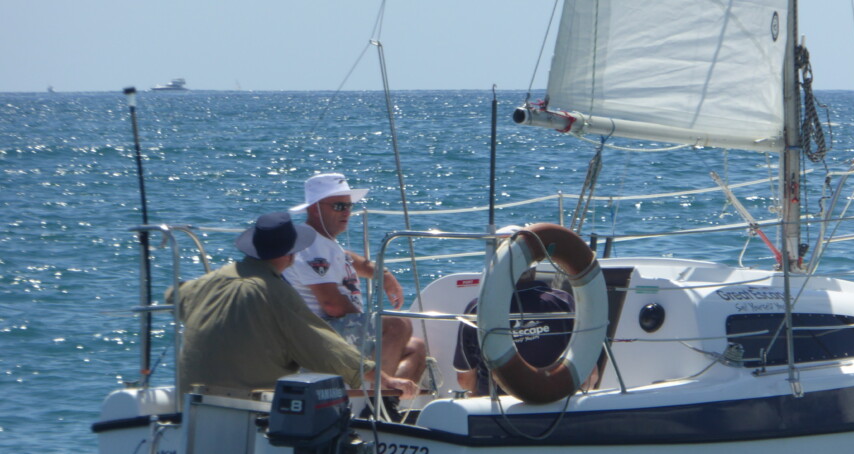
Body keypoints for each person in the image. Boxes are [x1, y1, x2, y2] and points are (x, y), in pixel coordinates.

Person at [170, 211, 418, 399]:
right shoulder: (274, 292)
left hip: (189, 399)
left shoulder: (205, 283)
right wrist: (384, 380)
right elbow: (325, 346)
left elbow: (174, 295)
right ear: (291, 255)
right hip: (245, 402)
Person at [284, 173, 427, 388]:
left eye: (349, 206)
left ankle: (383, 406)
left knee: (416, 347)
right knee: (397, 325)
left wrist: (383, 274)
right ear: (315, 208)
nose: (347, 213)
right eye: (339, 206)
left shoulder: (324, 242)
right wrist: (366, 324)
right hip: (318, 333)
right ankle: (376, 397)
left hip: (336, 329)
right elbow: (332, 306)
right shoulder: (310, 243)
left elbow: (346, 259)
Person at [453, 268, 576, 397]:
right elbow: (589, 370)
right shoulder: (562, 301)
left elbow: (465, 380)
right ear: (533, 269)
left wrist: (476, 397)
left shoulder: (478, 308)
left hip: (496, 405)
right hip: (556, 400)